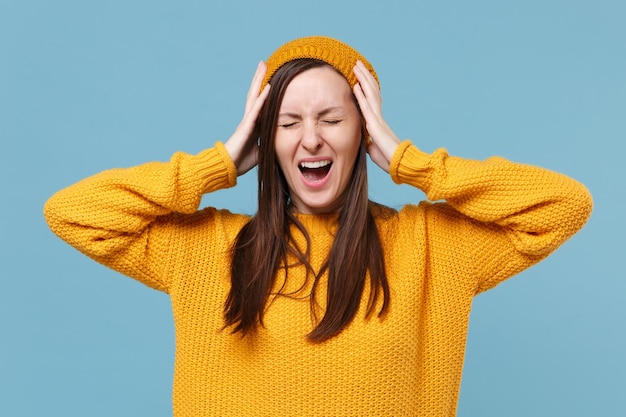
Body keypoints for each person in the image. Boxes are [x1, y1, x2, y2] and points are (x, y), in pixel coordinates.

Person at [44, 36, 593, 416]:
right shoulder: (208, 249)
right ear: (268, 140)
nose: (311, 139)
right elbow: (72, 212)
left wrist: (412, 162)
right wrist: (217, 164)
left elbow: (562, 205)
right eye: (288, 123)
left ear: (364, 133)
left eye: (332, 120)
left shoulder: (430, 246)